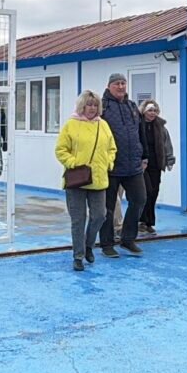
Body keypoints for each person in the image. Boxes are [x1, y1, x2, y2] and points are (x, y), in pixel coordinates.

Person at [55, 90, 117, 271]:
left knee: (100, 216)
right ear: (82, 106)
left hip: (98, 179)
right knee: (78, 219)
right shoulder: (71, 125)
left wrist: (109, 163)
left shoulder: (103, 125)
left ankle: (89, 245)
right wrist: (74, 163)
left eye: (95, 105)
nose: (92, 108)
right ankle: (78, 256)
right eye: (89, 104)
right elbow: (61, 150)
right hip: (77, 180)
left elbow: (112, 148)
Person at [95, 73, 148, 258]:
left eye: (123, 83)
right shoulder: (102, 107)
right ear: (109, 86)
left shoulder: (132, 106)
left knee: (140, 199)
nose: (121, 86)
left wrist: (145, 156)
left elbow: (140, 132)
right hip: (110, 166)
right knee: (107, 207)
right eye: (117, 83)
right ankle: (107, 244)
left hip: (133, 165)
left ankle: (127, 239)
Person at [138, 100, 174, 235]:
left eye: (155, 110)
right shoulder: (138, 125)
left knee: (154, 193)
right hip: (141, 165)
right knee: (146, 191)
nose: (152, 113)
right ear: (144, 111)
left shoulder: (160, 127)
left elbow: (167, 144)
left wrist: (170, 160)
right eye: (150, 110)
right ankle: (140, 220)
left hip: (156, 164)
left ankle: (149, 222)